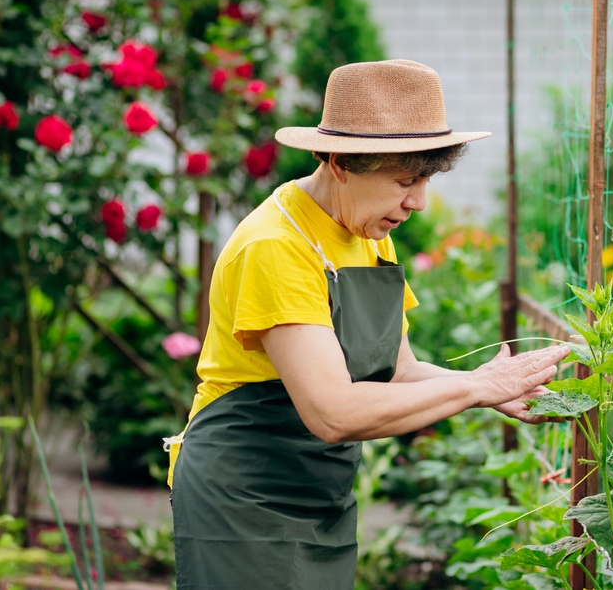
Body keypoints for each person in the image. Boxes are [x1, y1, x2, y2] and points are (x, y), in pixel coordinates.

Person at [167, 59, 570, 590]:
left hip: (320, 494)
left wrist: (491, 388)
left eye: (425, 180)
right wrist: (474, 388)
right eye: (405, 180)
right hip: (244, 498)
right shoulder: (276, 246)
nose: (418, 202)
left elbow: (398, 373)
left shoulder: (368, 230)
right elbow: (332, 412)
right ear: (340, 162)